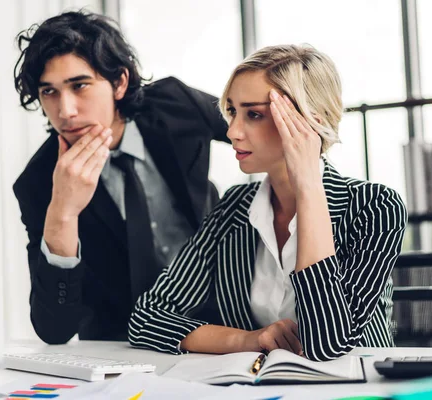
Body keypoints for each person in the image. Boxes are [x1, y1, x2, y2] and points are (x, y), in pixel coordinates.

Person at [128, 44, 407, 361]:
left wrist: (308, 188)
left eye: (255, 115)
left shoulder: (375, 207)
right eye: (232, 111)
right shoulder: (234, 207)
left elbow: (327, 343)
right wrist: (248, 340)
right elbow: (147, 319)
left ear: (309, 123)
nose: (233, 131)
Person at [12, 10, 229, 344]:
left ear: (119, 82)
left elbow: (254, 129)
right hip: (126, 344)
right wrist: (63, 215)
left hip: (225, 319)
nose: (65, 111)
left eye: (79, 85)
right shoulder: (39, 181)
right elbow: (54, 330)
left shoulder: (175, 104)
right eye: (49, 92)